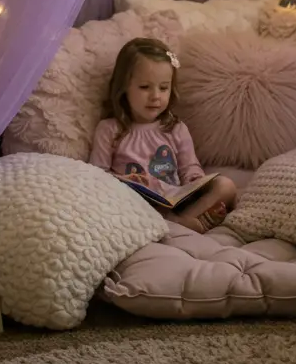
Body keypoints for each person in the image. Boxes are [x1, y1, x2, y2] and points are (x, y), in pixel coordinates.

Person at [89, 37, 236, 233]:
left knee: (226, 185)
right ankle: (184, 221)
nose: (155, 96)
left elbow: (189, 166)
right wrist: (124, 180)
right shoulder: (109, 129)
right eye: (144, 87)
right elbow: (96, 175)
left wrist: (195, 181)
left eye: (163, 87)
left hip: (176, 196)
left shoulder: (175, 127)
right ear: (124, 87)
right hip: (137, 200)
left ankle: (185, 218)